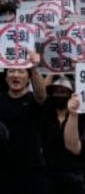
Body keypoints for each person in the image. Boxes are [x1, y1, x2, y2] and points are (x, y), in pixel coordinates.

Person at [0, 55, 49, 194]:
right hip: (4, 171)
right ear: (5, 77)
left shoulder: (34, 101)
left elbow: (41, 94)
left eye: (21, 71)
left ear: (29, 78)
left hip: (32, 170)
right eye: (11, 71)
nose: (16, 75)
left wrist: (33, 67)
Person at [42, 75, 85, 194]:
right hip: (47, 178)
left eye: (64, 91)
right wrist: (51, 72)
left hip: (75, 179)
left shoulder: (83, 116)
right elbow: (40, 93)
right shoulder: (44, 114)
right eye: (56, 91)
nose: (60, 94)